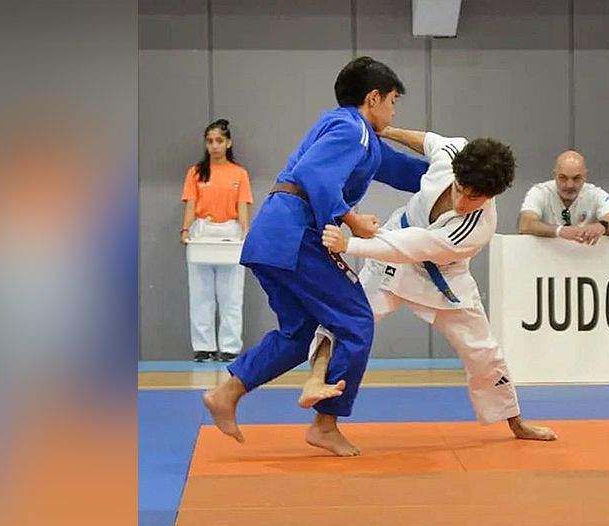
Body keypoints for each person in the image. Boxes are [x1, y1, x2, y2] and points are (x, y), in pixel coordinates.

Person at [201, 57, 429, 456]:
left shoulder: (359, 136)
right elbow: (314, 176)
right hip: (294, 235)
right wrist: (353, 220)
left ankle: (227, 392)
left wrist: (455, 171)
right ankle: (326, 424)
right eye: (392, 101)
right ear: (372, 98)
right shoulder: (350, 128)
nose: (394, 112)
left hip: (272, 238)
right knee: (356, 319)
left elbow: (406, 172)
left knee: (299, 333)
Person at [306, 126, 557, 442]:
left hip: (443, 277)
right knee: (350, 318)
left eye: (475, 197)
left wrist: (350, 245)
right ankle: (322, 413)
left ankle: (515, 422)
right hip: (391, 260)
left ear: (492, 196)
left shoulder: (477, 227)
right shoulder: (452, 154)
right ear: (456, 173)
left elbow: (413, 246)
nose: (463, 201)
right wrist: (386, 131)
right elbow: (427, 141)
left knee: (484, 351)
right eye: (461, 188)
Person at [180, 119, 253, 362]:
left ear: (228, 143)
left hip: (230, 233)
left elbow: (242, 205)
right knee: (201, 295)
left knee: (231, 294)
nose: (214, 145)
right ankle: (204, 347)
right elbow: (191, 203)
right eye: (210, 141)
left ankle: (230, 347)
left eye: (219, 141)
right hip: (202, 232)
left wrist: (246, 232)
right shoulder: (196, 173)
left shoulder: (239, 174)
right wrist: (185, 229)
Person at [517, 150, 609, 244]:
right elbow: (525, 225)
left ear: (585, 176)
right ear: (554, 175)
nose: (569, 185)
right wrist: (560, 231)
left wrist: (603, 226)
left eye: (576, 178)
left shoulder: (597, 194)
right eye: (563, 178)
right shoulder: (539, 192)